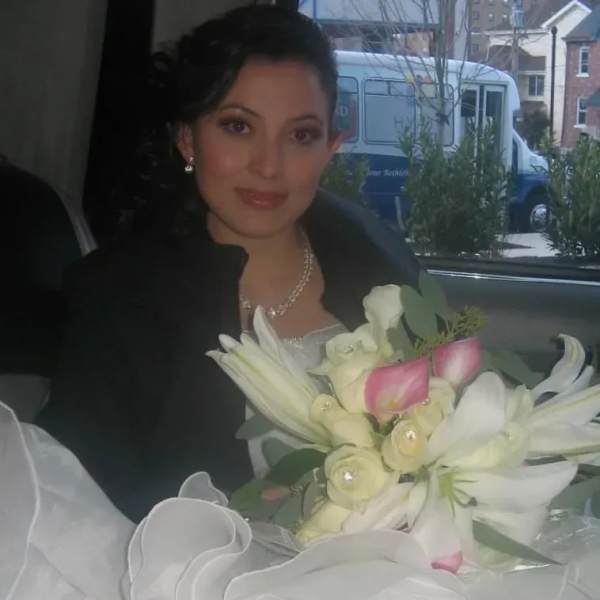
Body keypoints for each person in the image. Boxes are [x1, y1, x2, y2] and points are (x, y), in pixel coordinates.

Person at [37, 4, 421, 521]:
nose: (268, 166)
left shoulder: (382, 268)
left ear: (331, 148)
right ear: (188, 140)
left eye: (300, 135)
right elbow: (78, 497)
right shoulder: (117, 297)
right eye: (239, 127)